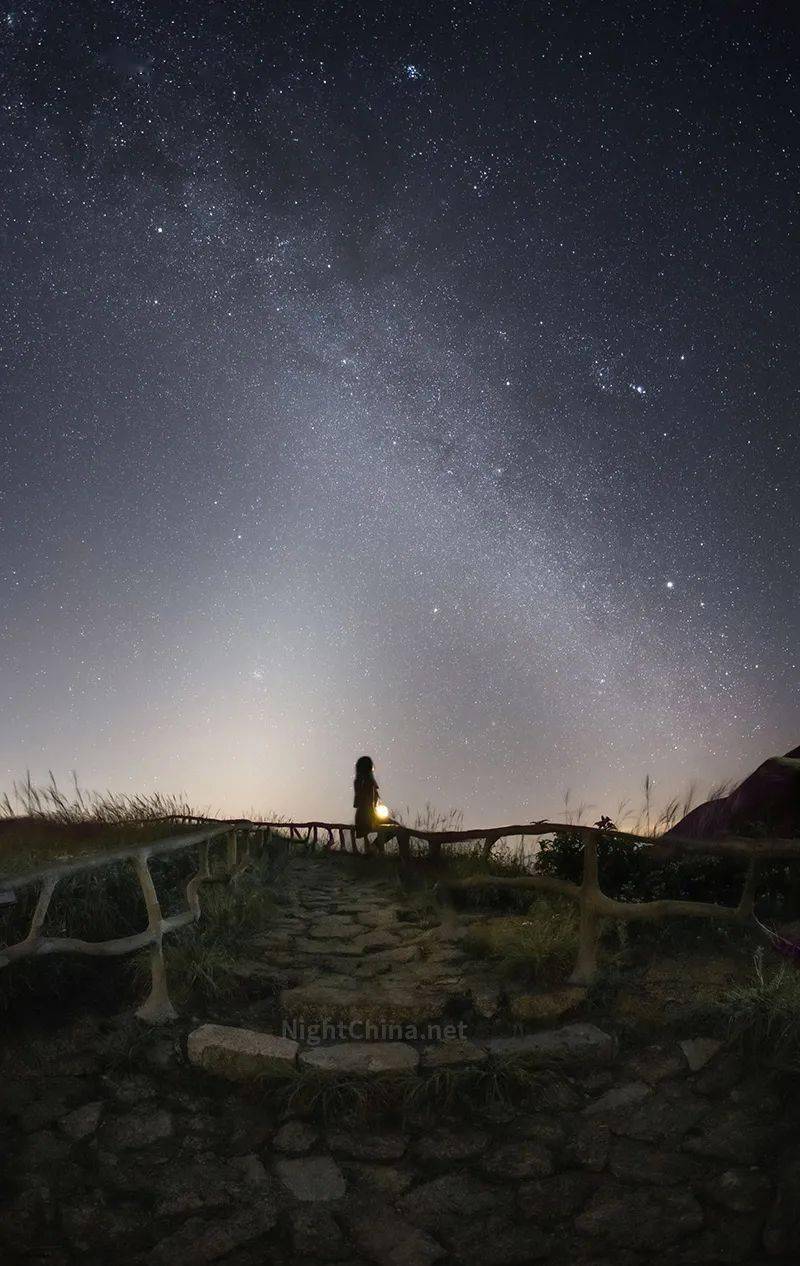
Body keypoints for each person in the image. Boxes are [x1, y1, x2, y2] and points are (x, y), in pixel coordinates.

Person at [353, 754, 380, 846]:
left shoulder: (359, 781)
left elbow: (356, 803)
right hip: (367, 816)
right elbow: (367, 801)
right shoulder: (368, 782)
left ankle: (373, 848)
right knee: (395, 829)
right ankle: (374, 847)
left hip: (364, 815)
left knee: (392, 828)